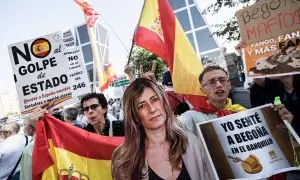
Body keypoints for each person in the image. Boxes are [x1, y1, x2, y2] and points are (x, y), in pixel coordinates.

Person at [112, 78, 214, 180]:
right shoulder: (123, 160)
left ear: (164, 102)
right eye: (142, 105)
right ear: (134, 115)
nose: (152, 109)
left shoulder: (191, 142)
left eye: (155, 99)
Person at [178, 66, 293, 136]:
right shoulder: (192, 117)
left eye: (222, 80)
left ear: (229, 85)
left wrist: (284, 124)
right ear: (202, 90)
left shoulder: (243, 112)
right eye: (211, 82)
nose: (218, 85)